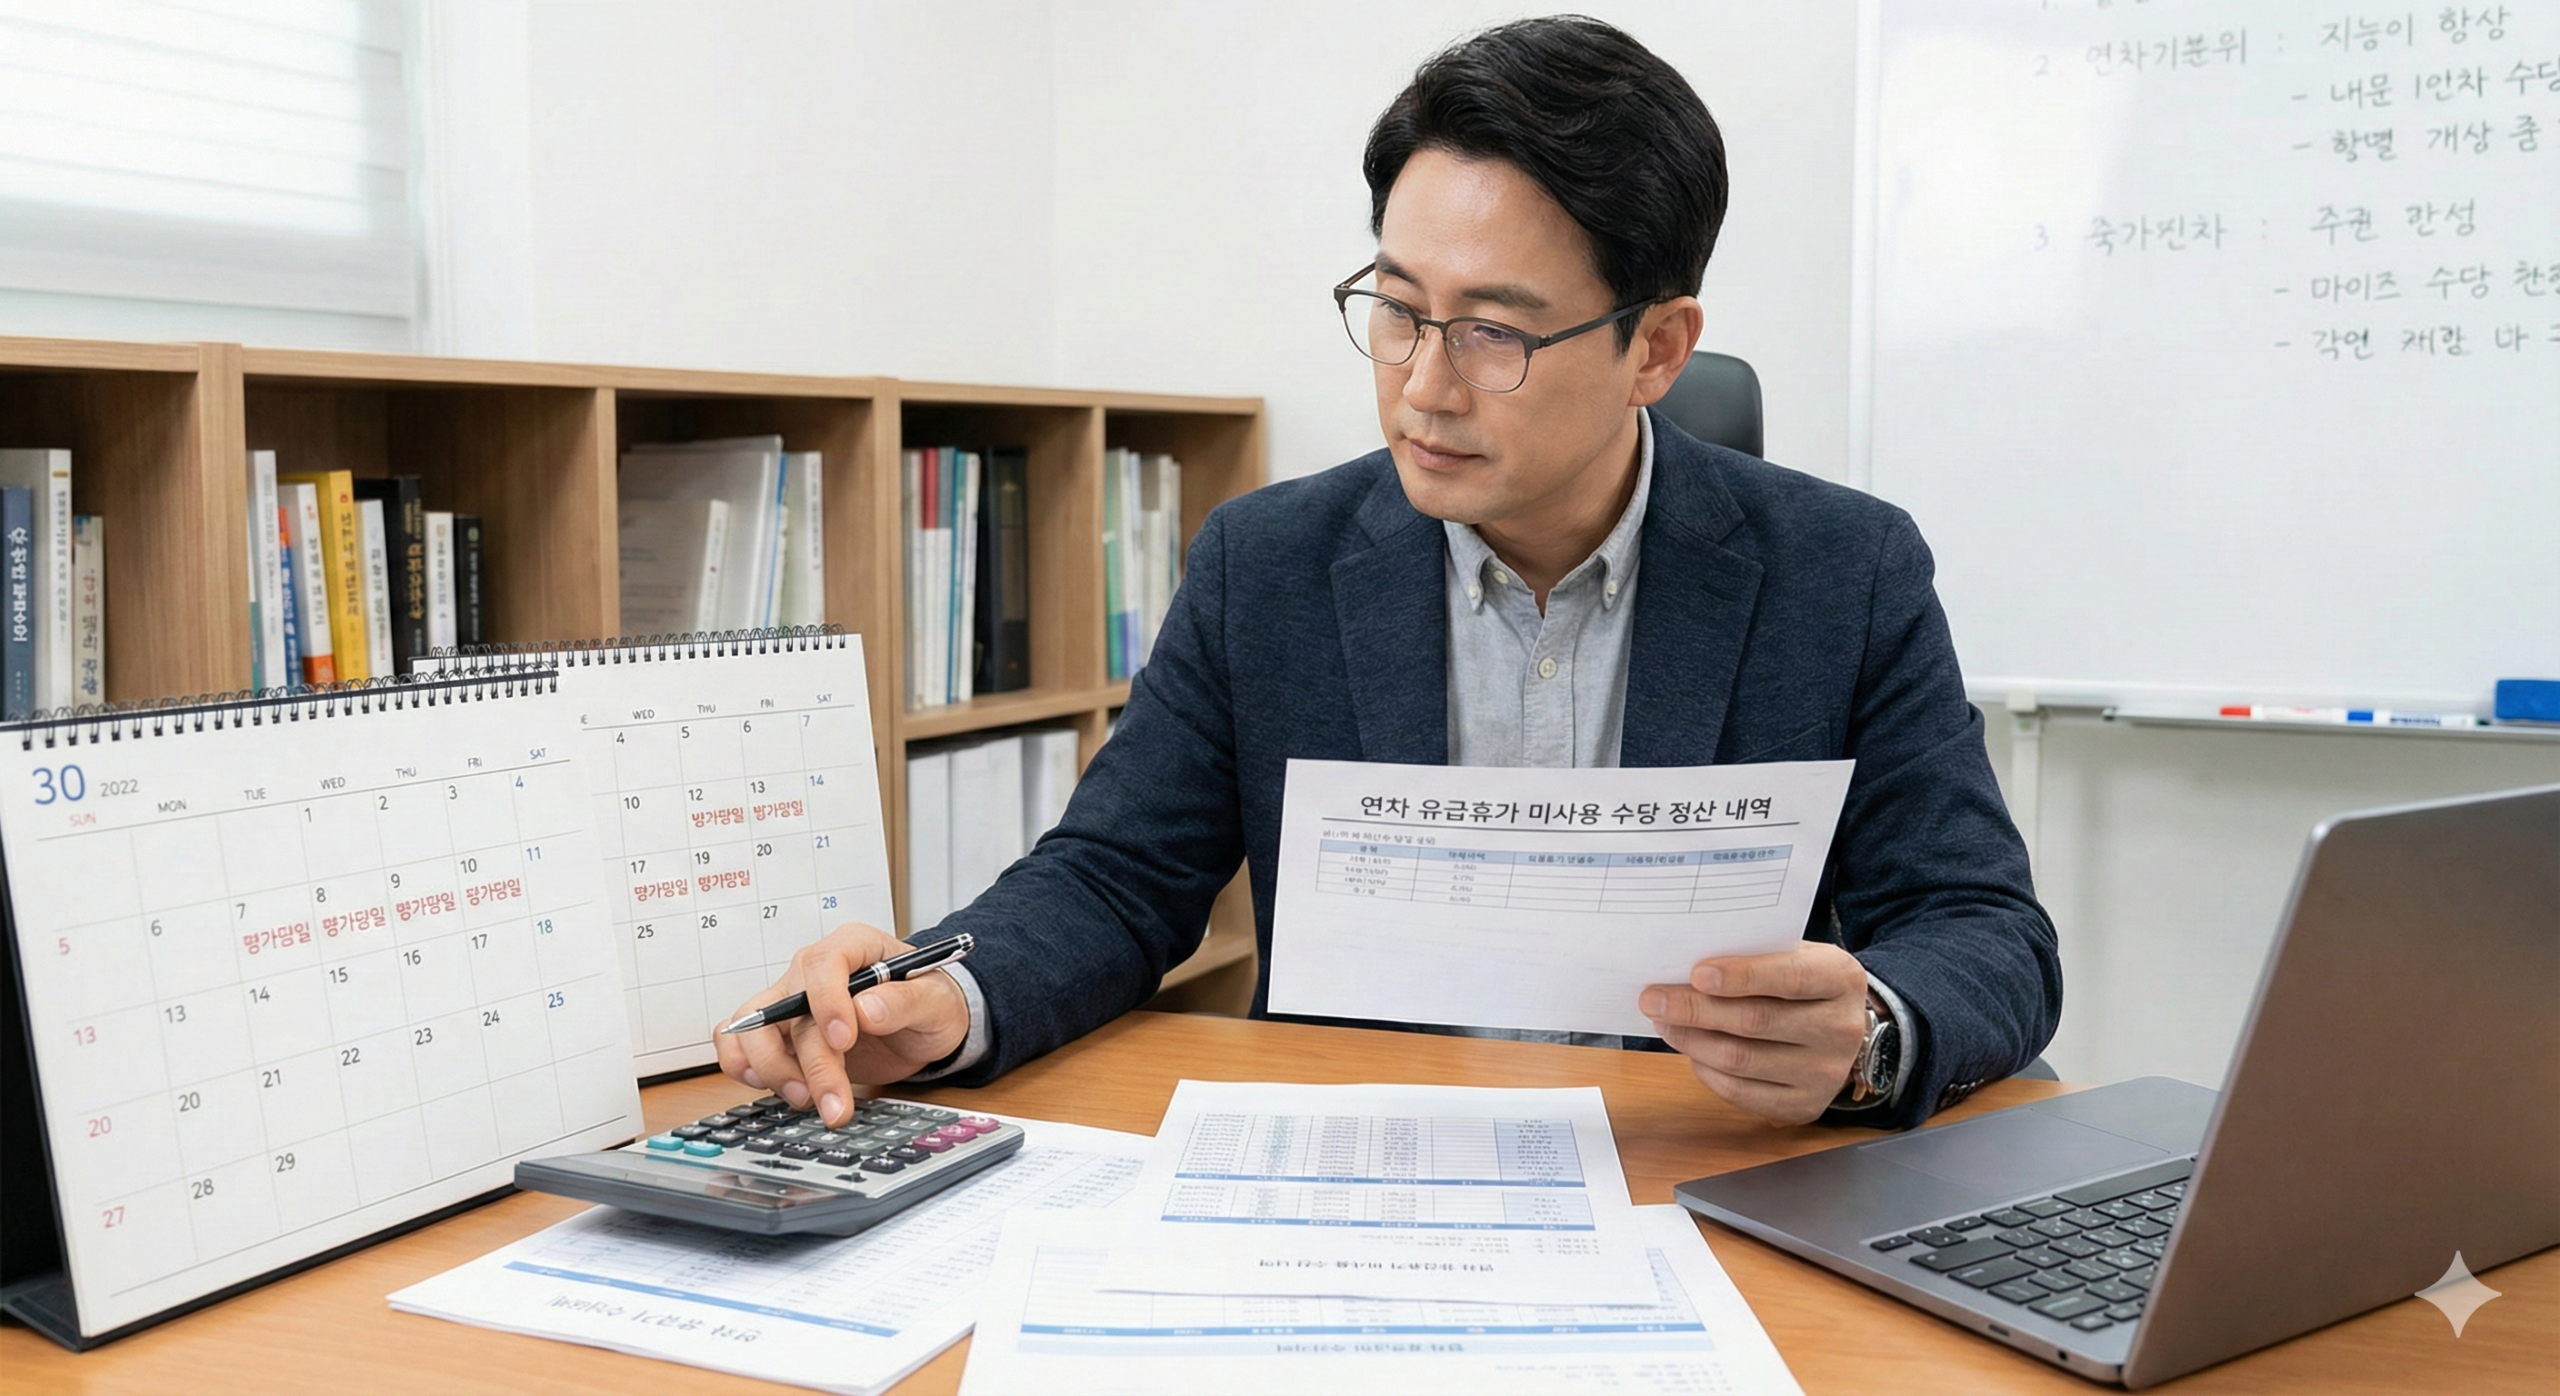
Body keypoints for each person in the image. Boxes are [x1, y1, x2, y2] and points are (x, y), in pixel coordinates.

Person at [718, 15, 2058, 1132]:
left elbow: (1982, 926)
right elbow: (1115, 879)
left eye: (1492, 333)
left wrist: (1870, 1035)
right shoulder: (1267, 566)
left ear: (1656, 348)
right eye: (1399, 309)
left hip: (1693, 1173)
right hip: (1359, 1173)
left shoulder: (1844, 572)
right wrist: (943, 998)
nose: (1422, 385)